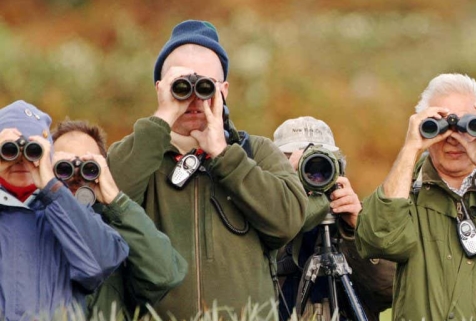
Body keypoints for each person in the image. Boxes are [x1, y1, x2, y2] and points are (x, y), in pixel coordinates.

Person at [107, 20, 308, 318]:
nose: (192, 97)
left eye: (204, 86)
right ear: (160, 89)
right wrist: (160, 121)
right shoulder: (137, 154)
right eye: (180, 86)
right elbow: (106, 208)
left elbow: (288, 221)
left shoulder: (255, 152)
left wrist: (225, 157)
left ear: (224, 90)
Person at [355, 73, 476, 320]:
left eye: (467, 124)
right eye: (439, 124)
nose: (453, 137)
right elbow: (378, 239)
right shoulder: (407, 190)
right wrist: (410, 149)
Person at [0, 101, 128, 320]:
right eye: (9, 151)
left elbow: (100, 264)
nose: (21, 160)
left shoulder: (66, 211)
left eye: (32, 151)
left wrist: (52, 187)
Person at [50, 120, 187, 320]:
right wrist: (49, 190)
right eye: (64, 166)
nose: (75, 175)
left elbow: (164, 275)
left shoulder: (116, 229)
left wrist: (117, 201)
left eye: (88, 166)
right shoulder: (29, 223)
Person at [272, 116, 394, 320]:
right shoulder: (261, 221)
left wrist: (358, 229)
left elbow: (389, 291)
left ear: (338, 168)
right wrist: (281, 210)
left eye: (319, 165)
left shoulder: (357, 220)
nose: (309, 175)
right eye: (295, 164)